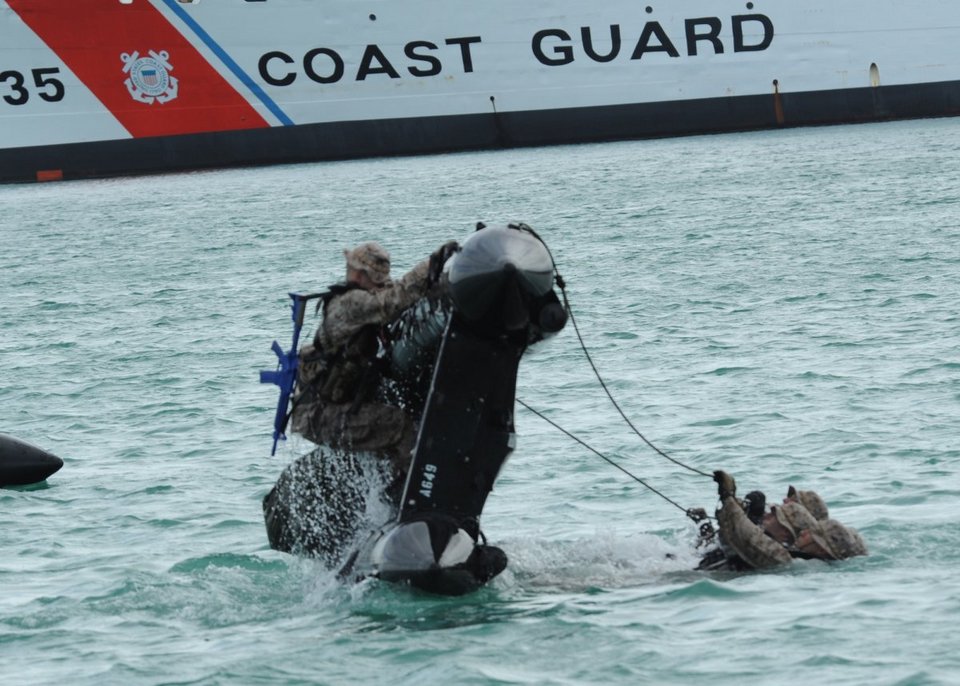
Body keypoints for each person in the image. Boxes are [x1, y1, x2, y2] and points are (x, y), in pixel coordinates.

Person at [290, 239, 458, 470]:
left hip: (330, 409)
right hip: (320, 416)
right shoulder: (350, 304)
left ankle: (392, 479)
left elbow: (394, 294)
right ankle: (410, 486)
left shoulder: (361, 299)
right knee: (399, 426)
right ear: (363, 276)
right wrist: (431, 264)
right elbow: (391, 301)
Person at [699, 470, 867, 570]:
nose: (805, 532)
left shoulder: (787, 560)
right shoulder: (792, 556)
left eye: (812, 534)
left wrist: (728, 496)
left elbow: (747, 536)